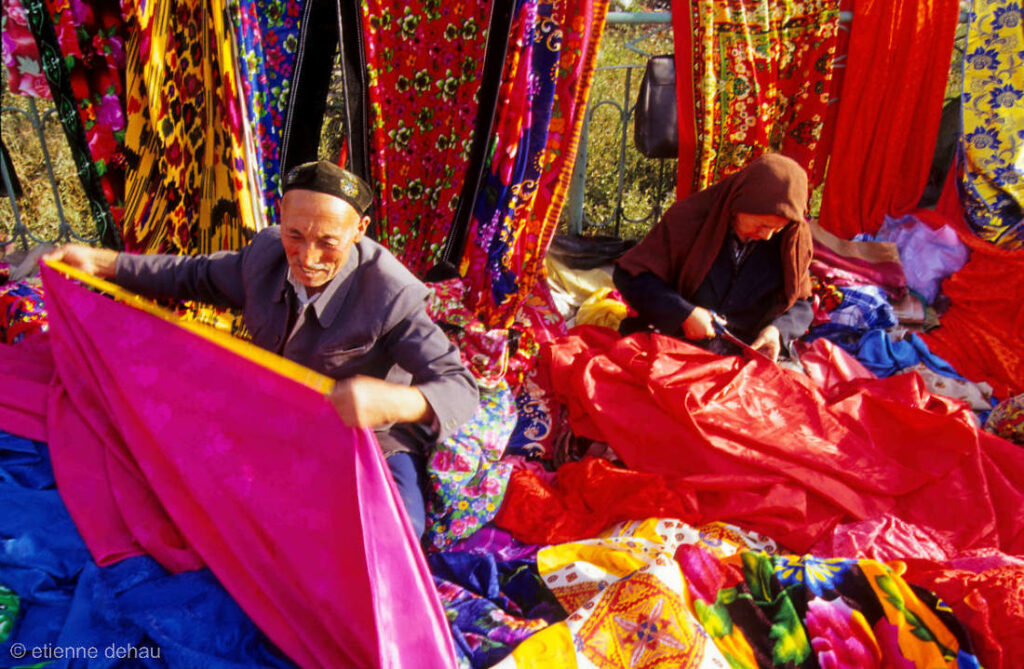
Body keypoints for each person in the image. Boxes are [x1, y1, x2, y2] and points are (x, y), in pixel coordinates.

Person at [45, 160, 479, 538]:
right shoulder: (267, 254)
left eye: (328, 242)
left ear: (359, 230)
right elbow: (193, 276)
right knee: (163, 470)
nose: (307, 256)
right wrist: (103, 263)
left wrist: (395, 401)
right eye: (296, 234)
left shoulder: (390, 293)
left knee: (397, 532)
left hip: (365, 437)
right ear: (281, 219)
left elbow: (460, 387)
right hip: (275, 408)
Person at [613, 153, 814, 361]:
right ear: (740, 204)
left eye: (776, 229)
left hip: (746, 355)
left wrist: (776, 332)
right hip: (674, 345)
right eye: (762, 225)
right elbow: (629, 275)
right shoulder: (690, 219)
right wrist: (683, 313)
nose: (767, 235)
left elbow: (801, 303)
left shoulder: (790, 239)